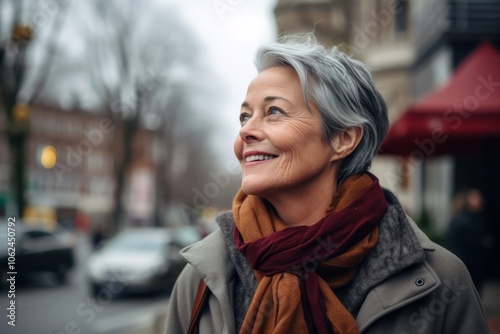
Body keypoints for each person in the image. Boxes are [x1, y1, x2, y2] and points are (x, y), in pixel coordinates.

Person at [165, 36, 488, 334]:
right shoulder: (203, 278)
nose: (247, 131)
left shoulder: (440, 279)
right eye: (245, 116)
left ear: (343, 139)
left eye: (274, 111)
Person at [446, 189, 489, 295]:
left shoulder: (457, 219)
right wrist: (483, 242)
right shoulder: (469, 221)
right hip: (469, 264)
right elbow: (473, 243)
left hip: (459, 262)